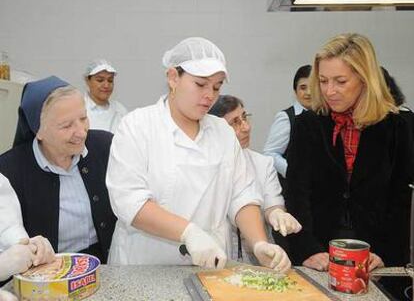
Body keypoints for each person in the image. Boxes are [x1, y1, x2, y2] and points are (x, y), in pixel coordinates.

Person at [106, 37, 291, 272]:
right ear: (173, 77)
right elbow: (130, 201)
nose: (210, 95)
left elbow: (242, 194)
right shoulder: (137, 126)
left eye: (217, 86)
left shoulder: (222, 132)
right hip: (146, 266)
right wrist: (189, 232)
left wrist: (259, 243)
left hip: (210, 265)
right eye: (200, 84)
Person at [286, 33, 414, 273]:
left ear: (365, 79)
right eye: (323, 81)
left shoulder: (399, 125)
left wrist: (385, 253)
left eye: (340, 81)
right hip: (320, 252)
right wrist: (307, 249)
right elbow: (297, 194)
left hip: (377, 256)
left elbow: (401, 199)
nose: (330, 91)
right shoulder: (308, 125)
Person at [0, 76, 117, 263]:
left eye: (83, 118)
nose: (81, 132)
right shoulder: (9, 172)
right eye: (66, 125)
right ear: (38, 130)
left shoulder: (106, 147)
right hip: (49, 276)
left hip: (107, 266)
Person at [208, 94, 302, 262]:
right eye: (235, 122)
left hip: (258, 259)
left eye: (245, 118)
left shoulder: (262, 163)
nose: (246, 127)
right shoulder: (206, 166)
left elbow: (272, 205)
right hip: (217, 258)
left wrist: (277, 214)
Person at [263, 65, 312, 192]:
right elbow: (270, 153)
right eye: (303, 87)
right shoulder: (286, 118)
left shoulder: (325, 116)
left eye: (313, 87)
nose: (308, 92)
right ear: (295, 91)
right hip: (294, 191)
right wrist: (293, 173)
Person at [84, 59, 128, 133]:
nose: (106, 85)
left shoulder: (120, 111)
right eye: (100, 80)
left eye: (110, 80)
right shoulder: (78, 108)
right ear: (88, 81)